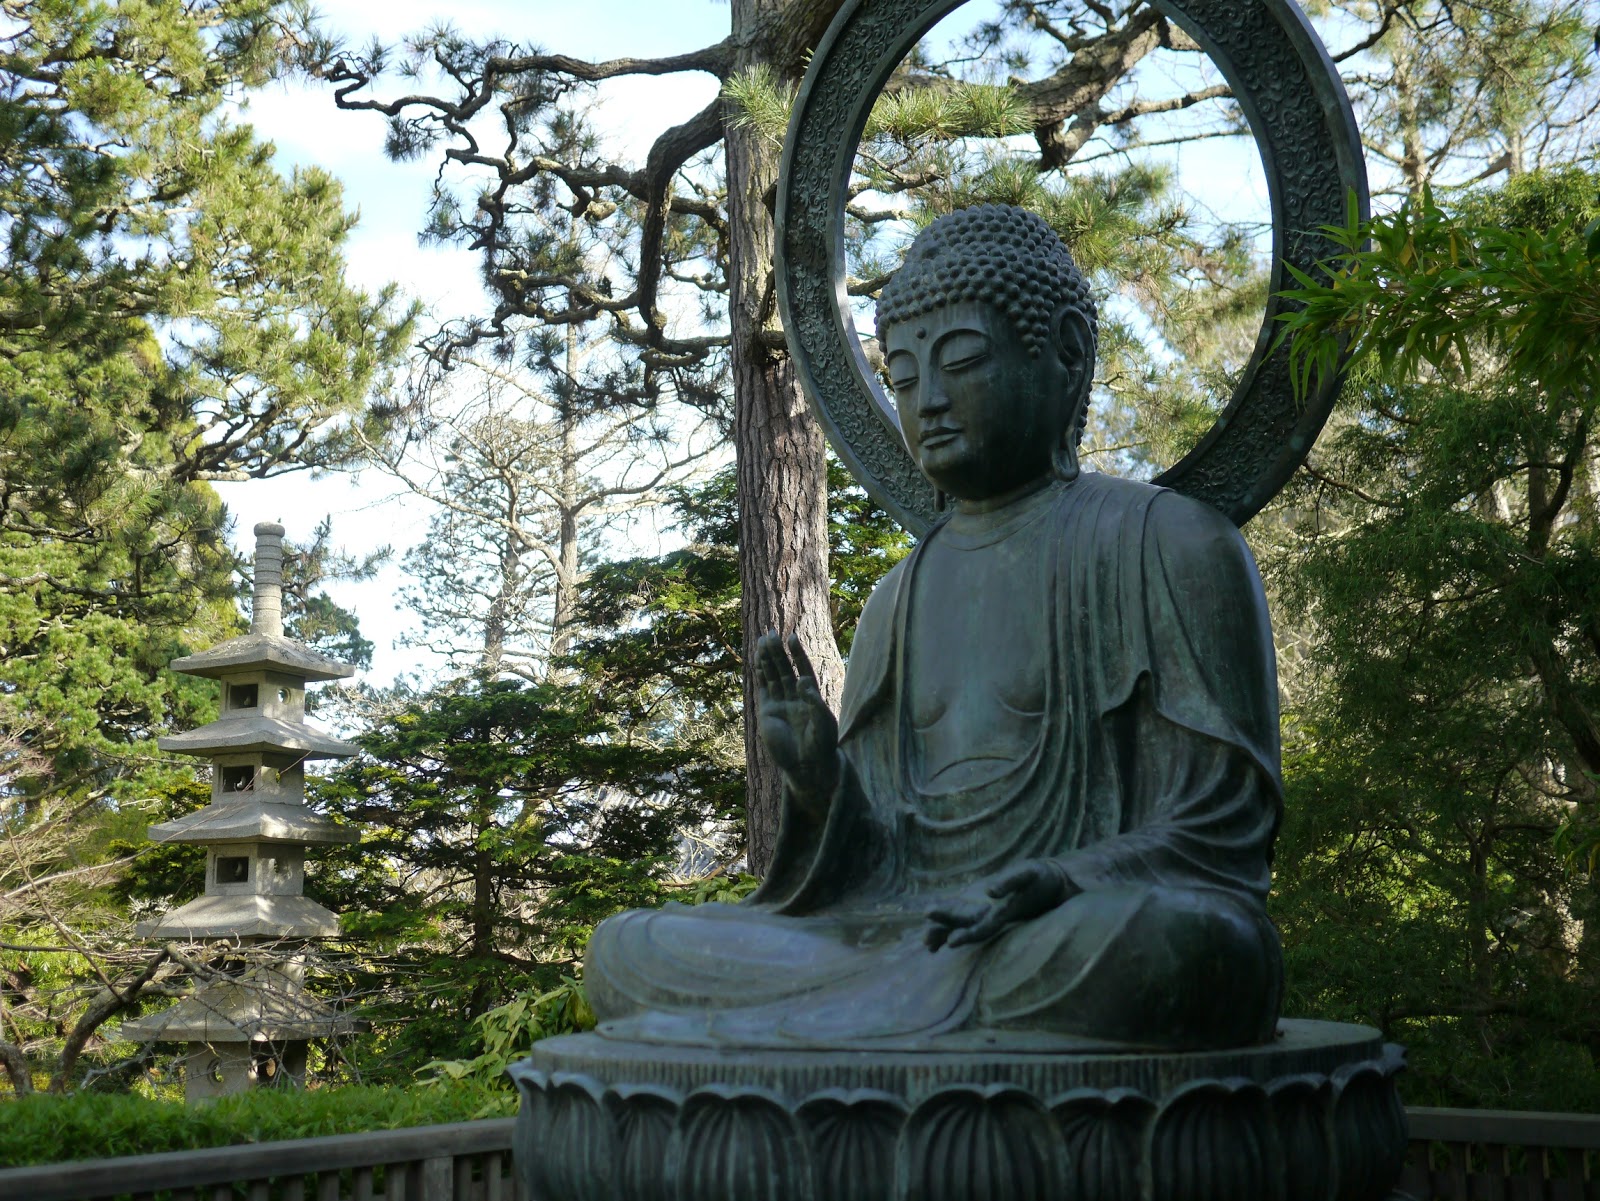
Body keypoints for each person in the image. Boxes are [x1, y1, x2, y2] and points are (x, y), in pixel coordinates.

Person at [584, 204, 1284, 1052]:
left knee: (1178, 948)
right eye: (905, 376)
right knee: (628, 949)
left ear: (1065, 355)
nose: (931, 401)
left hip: (1065, 929)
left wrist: (1060, 878)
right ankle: (886, 1016)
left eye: (963, 362)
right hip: (903, 935)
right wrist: (822, 785)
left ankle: (847, 1029)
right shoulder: (897, 599)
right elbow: (881, 866)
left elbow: (1224, 834)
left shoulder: (1168, 545)